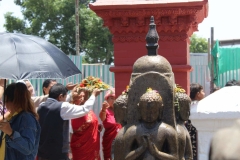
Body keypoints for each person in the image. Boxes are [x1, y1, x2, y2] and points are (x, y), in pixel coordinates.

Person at [37, 83, 101, 160]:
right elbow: (84, 109)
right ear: (60, 96)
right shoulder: (62, 107)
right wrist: (93, 95)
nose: (66, 99)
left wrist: (69, 94)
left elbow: (59, 103)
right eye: (65, 97)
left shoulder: (42, 106)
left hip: (42, 151)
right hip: (58, 153)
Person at [124, 89, 178, 160]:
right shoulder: (133, 131)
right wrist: (141, 149)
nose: (149, 115)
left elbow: (175, 157)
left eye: (153, 112)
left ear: (160, 110)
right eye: (145, 112)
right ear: (139, 109)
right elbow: (125, 157)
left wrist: (157, 153)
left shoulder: (167, 130)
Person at [0, 82, 41, 160]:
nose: (5, 105)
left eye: (5, 101)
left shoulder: (26, 118)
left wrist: (11, 133)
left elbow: (28, 148)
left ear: (10, 101)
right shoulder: (12, 117)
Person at [70, 87, 102, 160]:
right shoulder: (73, 111)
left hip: (93, 147)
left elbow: (91, 122)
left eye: (85, 97)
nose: (83, 99)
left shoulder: (88, 110)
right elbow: (75, 128)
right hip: (80, 149)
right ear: (75, 98)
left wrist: (97, 126)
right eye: (81, 97)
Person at [99, 88, 122, 160]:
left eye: (115, 98)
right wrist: (103, 109)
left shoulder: (120, 110)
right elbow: (102, 118)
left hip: (120, 140)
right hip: (109, 141)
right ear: (107, 99)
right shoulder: (105, 110)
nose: (113, 100)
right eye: (111, 98)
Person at [175, 88, 193, 160]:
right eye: (186, 110)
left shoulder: (182, 127)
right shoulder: (179, 130)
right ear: (177, 109)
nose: (189, 113)